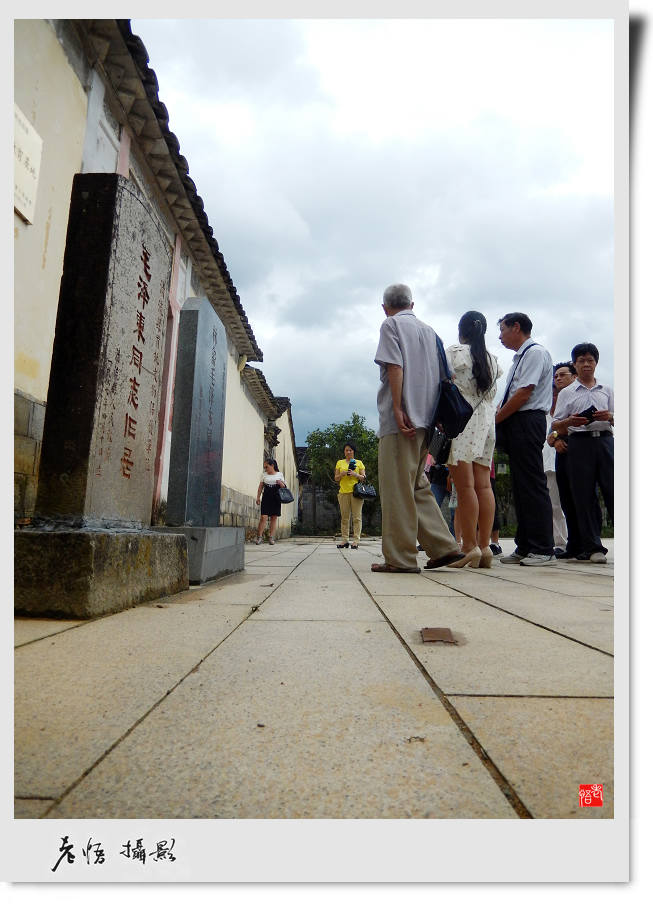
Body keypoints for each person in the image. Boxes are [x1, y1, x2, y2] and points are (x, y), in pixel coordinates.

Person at [371, 283, 462, 573]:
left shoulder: (391, 325)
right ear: (412, 304)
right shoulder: (432, 333)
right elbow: (445, 378)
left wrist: (398, 408)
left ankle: (400, 558)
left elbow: (395, 367)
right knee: (416, 485)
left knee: (397, 487)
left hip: (402, 421)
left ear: (385, 307)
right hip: (427, 421)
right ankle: (444, 547)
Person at [495, 312, 555, 566]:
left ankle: (543, 548)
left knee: (532, 483)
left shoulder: (535, 353)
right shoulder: (519, 358)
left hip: (528, 420)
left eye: (503, 330)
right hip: (516, 422)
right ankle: (526, 545)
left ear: (516, 327)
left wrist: (496, 420)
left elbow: (523, 394)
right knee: (520, 486)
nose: (500, 336)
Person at [444, 311, 503, 568]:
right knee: (484, 485)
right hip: (487, 423)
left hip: (462, 420)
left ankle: (469, 547)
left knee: (465, 486)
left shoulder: (455, 353)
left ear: (461, 330)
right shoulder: (492, 360)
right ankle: (484, 546)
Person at [551, 342, 614, 563]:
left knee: (613, 490)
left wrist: (610, 417)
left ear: (596, 363)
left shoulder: (607, 390)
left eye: (590, 360)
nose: (586, 364)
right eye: (581, 360)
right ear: (575, 364)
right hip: (579, 443)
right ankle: (593, 547)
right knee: (583, 495)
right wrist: (570, 421)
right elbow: (556, 425)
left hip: (605, 441)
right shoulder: (567, 393)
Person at [544, 363, 571, 554]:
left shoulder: (569, 409)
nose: (554, 396)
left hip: (570, 459)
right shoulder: (544, 413)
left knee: (574, 501)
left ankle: (578, 540)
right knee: (554, 505)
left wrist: (554, 436)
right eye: (552, 392)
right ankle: (560, 542)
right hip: (548, 463)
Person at [334, 442, 366, 549]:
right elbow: (336, 478)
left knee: (357, 517)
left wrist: (355, 474)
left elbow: (363, 477)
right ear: (344, 452)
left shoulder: (359, 463)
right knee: (345, 518)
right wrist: (342, 474)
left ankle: (356, 540)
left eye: (350, 450)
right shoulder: (340, 462)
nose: (348, 452)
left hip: (356, 493)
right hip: (343, 492)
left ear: (353, 451)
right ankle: (345, 540)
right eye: (346, 450)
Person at [255, 458, 288, 545]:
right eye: (264, 467)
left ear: (272, 465)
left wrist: (280, 483)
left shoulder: (280, 474)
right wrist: (258, 497)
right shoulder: (264, 475)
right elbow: (260, 487)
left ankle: (271, 538)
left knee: (274, 518)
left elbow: (284, 487)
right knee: (263, 517)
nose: (265, 469)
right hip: (266, 497)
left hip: (276, 498)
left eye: (267, 467)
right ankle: (259, 537)